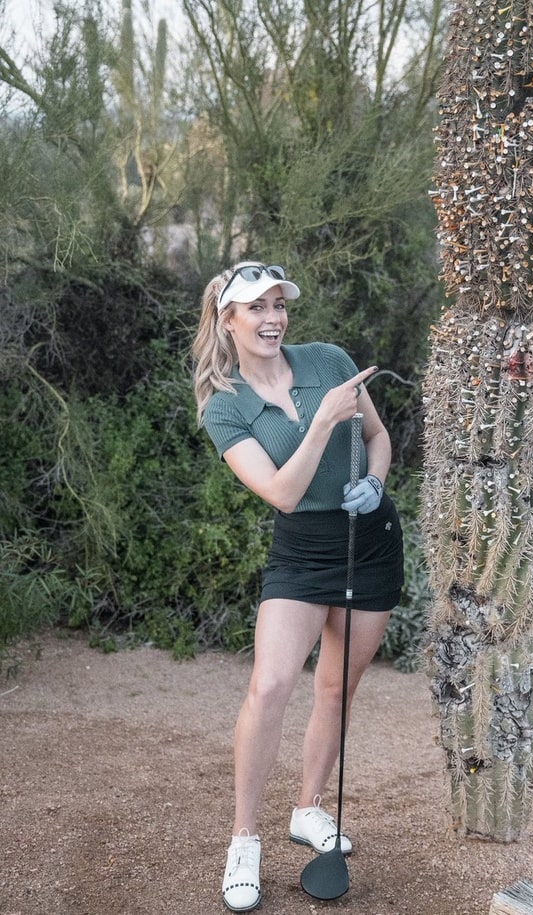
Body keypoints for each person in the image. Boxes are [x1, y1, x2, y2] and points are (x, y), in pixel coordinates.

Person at [192, 261, 405, 912]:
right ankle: (244, 839)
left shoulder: (329, 358)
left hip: (369, 541)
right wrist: (320, 422)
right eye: (256, 307)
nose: (273, 317)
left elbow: (376, 435)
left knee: (338, 686)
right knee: (273, 683)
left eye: (279, 305)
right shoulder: (223, 406)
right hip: (304, 550)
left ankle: (308, 808)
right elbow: (283, 492)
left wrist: (375, 479)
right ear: (227, 319)